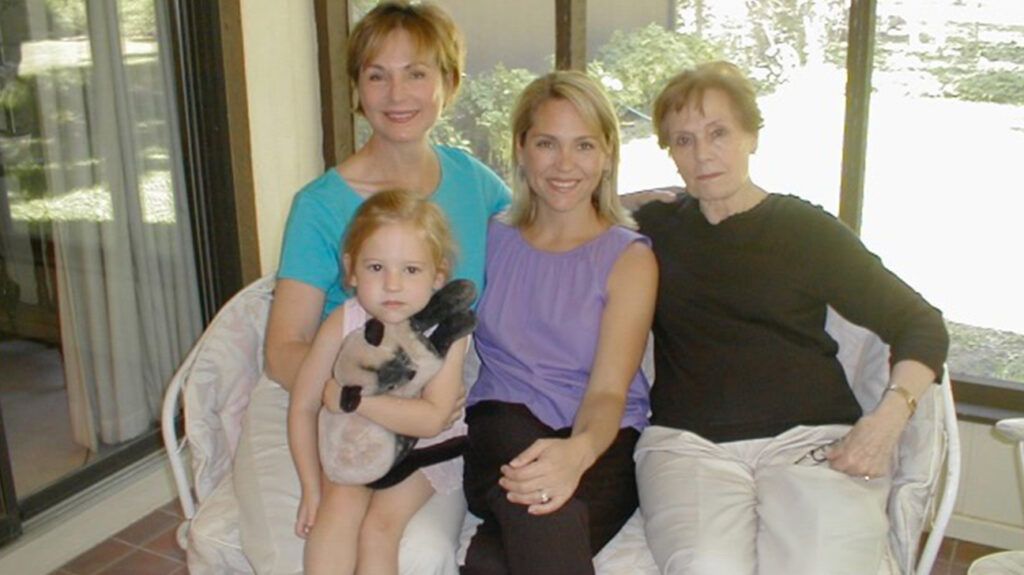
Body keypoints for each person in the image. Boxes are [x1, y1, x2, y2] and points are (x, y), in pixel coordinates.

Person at [633, 60, 949, 575]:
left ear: (751, 136)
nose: (703, 153)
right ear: (669, 154)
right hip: (688, 447)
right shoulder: (653, 228)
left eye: (719, 133)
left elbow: (920, 322)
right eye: (683, 141)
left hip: (811, 441)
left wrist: (888, 419)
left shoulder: (804, 229)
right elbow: (568, 209)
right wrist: (628, 197)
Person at [232, 3, 510, 573]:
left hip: (437, 399)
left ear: (449, 84)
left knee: (410, 548)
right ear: (357, 89)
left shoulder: (476, 184)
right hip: (333, 389)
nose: (396, 93)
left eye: (417, 72)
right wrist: (348, 397)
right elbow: (285, 347)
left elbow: (546, 241)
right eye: (376, 74)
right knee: (317, 530)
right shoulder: (320, 206)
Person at [461, 71, 658, 575]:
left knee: (492, 562)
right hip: (504, 423)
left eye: (584, 145)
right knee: (545, 511)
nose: (565, 165)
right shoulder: (489, 240)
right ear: (522, 150)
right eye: (548, 143)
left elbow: (609, 391)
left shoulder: (629, 258)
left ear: (608, 154)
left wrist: (578, 453)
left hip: (604, 438)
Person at [288, 190, 470, 575]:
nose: (392, 285)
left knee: (378, 528)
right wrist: (310, 487)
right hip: (356, 442)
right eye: (376, 268)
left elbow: (432, 419)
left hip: (423, 452)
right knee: (336, 510)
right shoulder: (343, 321)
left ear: (438, 275)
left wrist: (354, 401)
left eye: (411, 270)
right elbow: (303, 405)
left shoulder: (447, 331)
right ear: (351, 269)